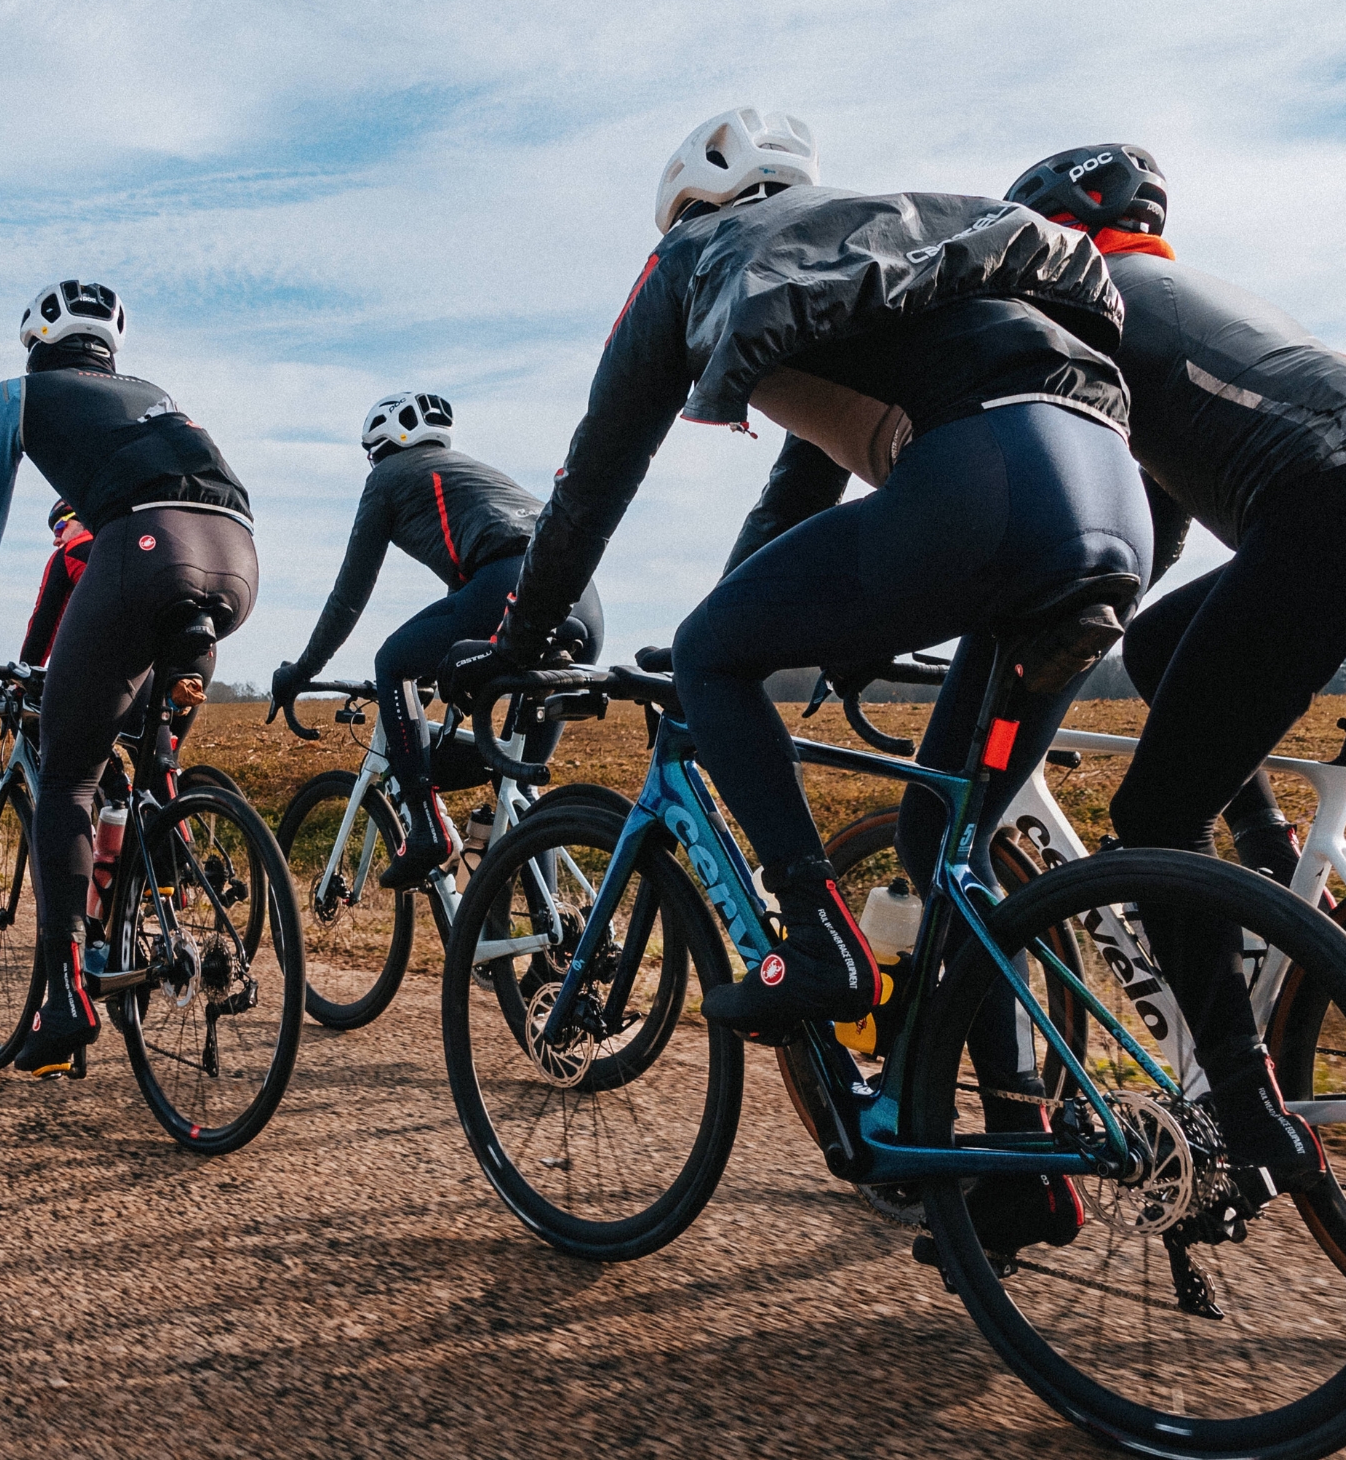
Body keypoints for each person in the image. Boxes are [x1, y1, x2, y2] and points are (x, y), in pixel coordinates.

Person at [441, 106, 1154, 1253]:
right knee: (945, 847)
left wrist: (524, 634)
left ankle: (814, 935)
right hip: (1108, 500)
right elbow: (795, 501)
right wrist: (724, 630)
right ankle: (1025, 1160)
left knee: (722, 649)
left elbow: (595, 472)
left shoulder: (692, 261)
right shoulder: (876, 268)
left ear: (685, 210)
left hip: (982, 481)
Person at [1000, 142, 1346, 1175]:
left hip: (1338, 511)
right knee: (1166, 639)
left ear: (1050, 242)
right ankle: (1268, 871)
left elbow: (1072, 500)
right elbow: (1147, 536)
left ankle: (1236, 1092)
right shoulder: (1176, 293)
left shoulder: (1096, 304)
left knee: (1153, 814)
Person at [0, 281, 259, 1078]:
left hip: (144, 553)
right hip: (239, 562)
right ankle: (159, 901)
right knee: (145, 760)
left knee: (70, 779)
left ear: (38, 340)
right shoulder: (156, 397)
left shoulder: (19, 394)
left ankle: (66, 1000)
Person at [271, 393, 605, 890]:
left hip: (510, 586)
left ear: (379, 446)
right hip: (585, 603)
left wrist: (301, 670)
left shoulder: (386, 477)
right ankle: (551, 936)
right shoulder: (471, 476)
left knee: (392, 660)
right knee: (510, 773)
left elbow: (349, 596)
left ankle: (427, 831)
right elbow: (463, 604)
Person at [20, 499, 94, 667]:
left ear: (84, 519)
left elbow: (44, 622)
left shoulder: (69, 552)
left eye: (61, 528)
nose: (56, 540)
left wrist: (24, 677)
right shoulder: (129, 542)